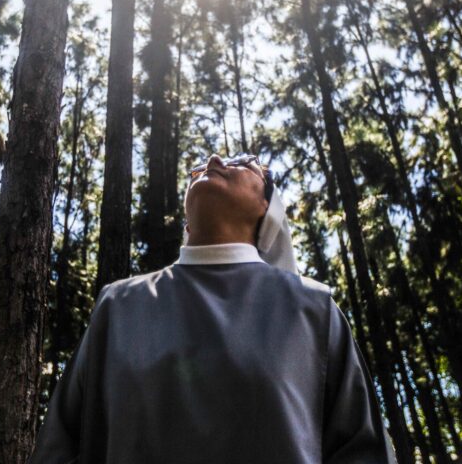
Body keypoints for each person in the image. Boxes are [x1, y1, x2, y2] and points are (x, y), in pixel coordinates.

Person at [29, 153, 397, 463]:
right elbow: (59, 447)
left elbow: (362, 451)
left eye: (243, 164)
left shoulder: (313, 308)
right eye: (203, 166)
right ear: (187, 220)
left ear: (268, 209)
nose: (214, 161)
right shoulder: (116, 305)